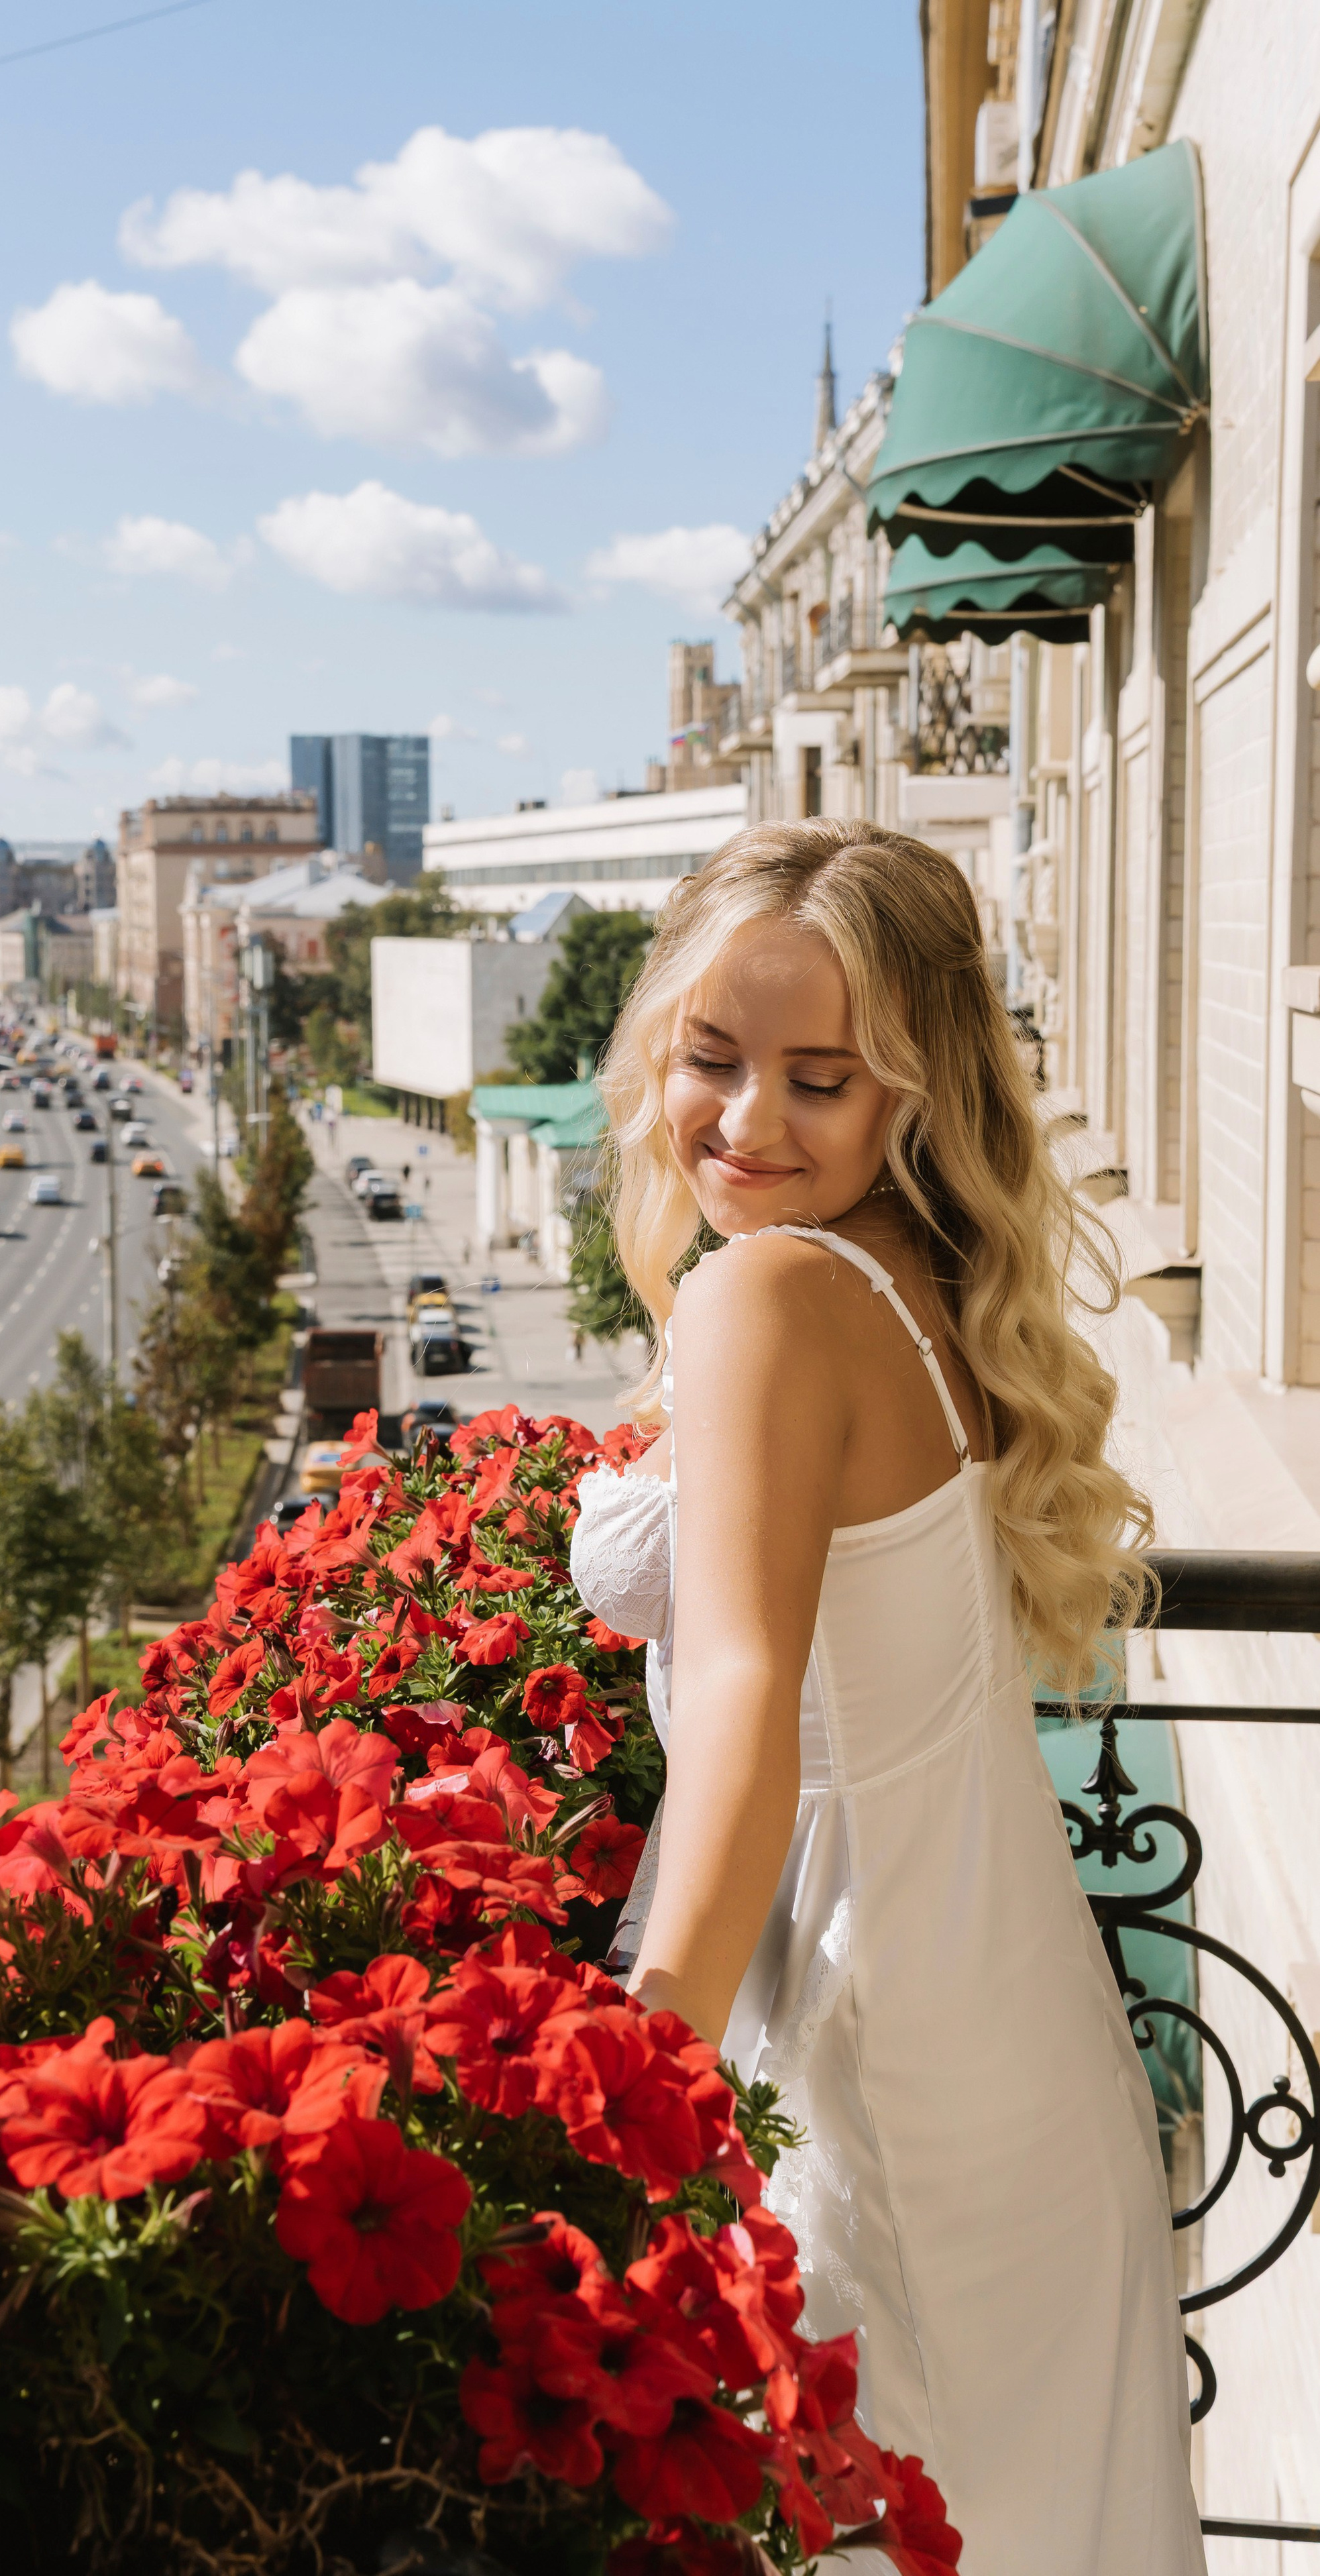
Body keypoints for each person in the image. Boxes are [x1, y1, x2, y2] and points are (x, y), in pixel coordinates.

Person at [569, 820, 1203, 2575]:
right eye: (713, 1060)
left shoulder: (771, 1291)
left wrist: (632, 2087)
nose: (751, 1122)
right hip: (1010, 2053)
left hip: (881, 2069)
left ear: (911, 1096)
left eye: (820, 1079)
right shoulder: (915, 1280)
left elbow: (750, 1711)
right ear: (656, 1054)